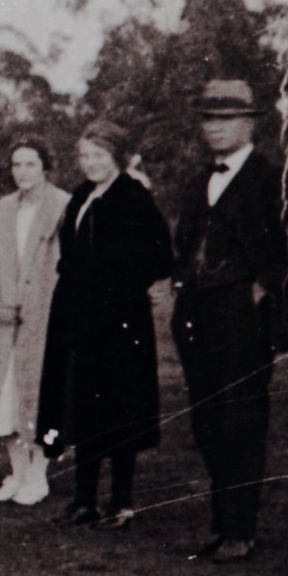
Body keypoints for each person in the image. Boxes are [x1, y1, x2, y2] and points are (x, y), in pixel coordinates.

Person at [168, 79, 284, 563]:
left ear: (249, 123)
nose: (214, 129)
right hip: (197, 312)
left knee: (241, 419)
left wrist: (263, 291)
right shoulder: (198, 180)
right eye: (208, 120)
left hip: (243, 315)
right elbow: (185, 243)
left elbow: (285, 248)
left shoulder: (271, 177)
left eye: (226, 119)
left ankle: (240, 528)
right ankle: (222, 523)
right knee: (207, 421)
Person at [36, 120, 173, 530]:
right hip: (77, 319)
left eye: (99, 155)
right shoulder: (80, 195)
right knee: (82, 405)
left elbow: (159, 256)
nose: (90, 163)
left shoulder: (133, 198)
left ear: (116, 156)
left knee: (120, 406)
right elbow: (71, 253)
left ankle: (121, 501)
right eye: (84, 156)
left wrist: (119, 287)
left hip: (118, 322)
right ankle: (84, 499)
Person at [0, 140, 70, 505]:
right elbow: (0, 261)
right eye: (17, 164)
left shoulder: (62, 205)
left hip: (46, 312)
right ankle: (17, 473)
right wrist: (2, 300)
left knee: (43, 392)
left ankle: (38, 475)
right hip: (7, 316)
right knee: (5, 392)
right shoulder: (4, 208)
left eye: (30, 164)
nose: (22, 171)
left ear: (45, 167)